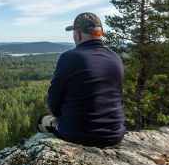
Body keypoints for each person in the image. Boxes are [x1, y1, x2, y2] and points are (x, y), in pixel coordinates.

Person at [38, 12, 125, 147]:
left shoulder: (69, 58)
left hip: (77, 135)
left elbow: (53, 101)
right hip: (114, 135)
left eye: (74, 33)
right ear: (99, 33)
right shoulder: (115, 58)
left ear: (78, 34)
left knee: (42, 120)